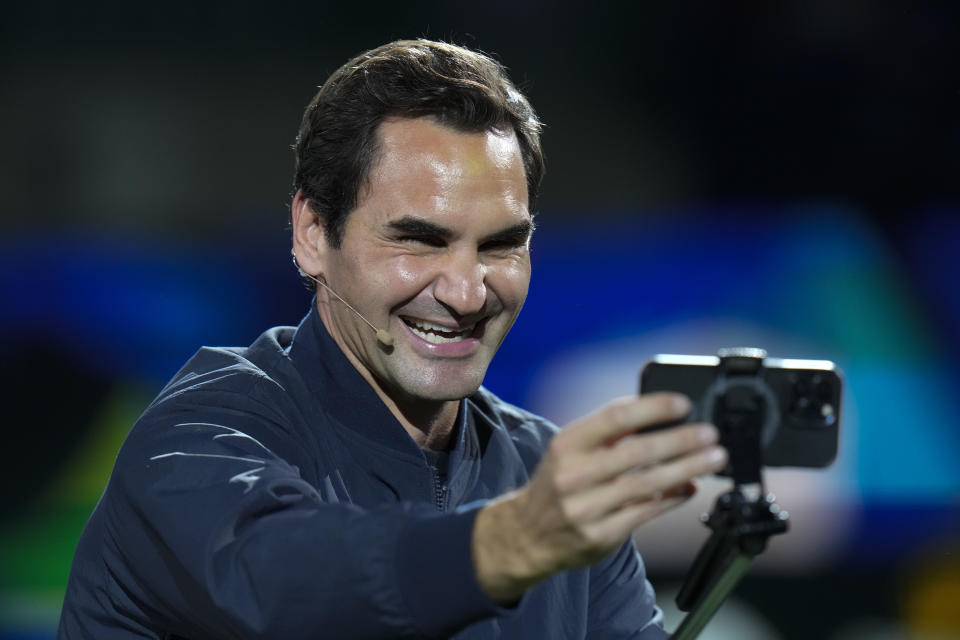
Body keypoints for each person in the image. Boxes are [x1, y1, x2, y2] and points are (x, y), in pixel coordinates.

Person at [58, 39, 727, 639]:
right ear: (314, 235)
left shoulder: (541, 473)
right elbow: (287, 584)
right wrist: (514, 540)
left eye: (500, 245)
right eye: (418, 240)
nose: (467, 293)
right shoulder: (196, 438)